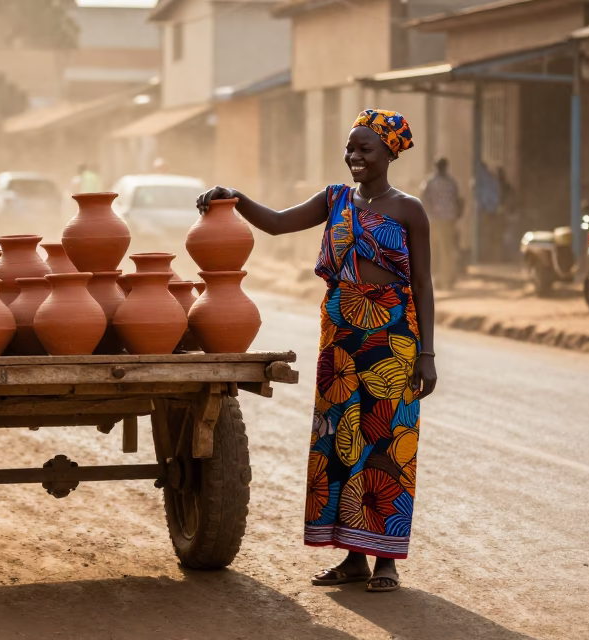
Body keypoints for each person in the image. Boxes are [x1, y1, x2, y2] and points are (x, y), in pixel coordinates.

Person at [196, 108, 437, 592]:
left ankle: (385, 560)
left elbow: (424, 283)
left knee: (387, 445)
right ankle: (352, 558)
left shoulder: (409, 209)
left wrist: (427, 354)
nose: (354, 157)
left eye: (365, 148)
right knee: (342, 441)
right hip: (340, 337)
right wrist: (235, 197)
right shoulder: (334, 200)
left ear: (390, 152)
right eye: (350, 148)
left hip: (392, 338)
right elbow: (279, 223)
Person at [420, 157, 463, 289]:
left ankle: (436, 278)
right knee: (448, 250)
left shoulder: (430, 182)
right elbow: (459, 200)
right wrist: (456, 215)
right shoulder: (452, 182)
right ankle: (447, 279)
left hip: (434, 220)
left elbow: (423, 199)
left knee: (434, 250)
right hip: (449, 220)